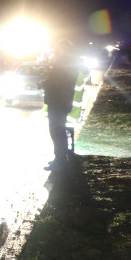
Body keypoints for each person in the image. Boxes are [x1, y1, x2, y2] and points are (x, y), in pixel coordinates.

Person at [41, 39, 79, 171]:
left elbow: (56, 82)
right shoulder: (70, 62)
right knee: (58, 131)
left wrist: (43, 84)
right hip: (62, 101)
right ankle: (59, 158)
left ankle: (60, 161)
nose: (55, 50)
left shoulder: (63, 62)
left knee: (56, 132)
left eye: (57, 48)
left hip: (58, 101)